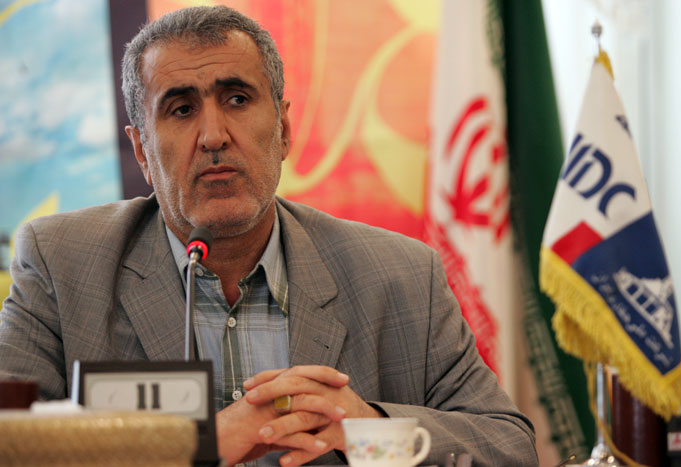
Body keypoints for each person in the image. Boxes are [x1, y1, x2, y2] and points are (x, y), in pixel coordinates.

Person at [0, 5, 537, 466]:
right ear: (141, 150)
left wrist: (368, 430)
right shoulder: (62, 264)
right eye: (181, 109)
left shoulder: (400, 275)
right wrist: (202, 442)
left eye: (237, 99)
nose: (214, 136)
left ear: (283, 129)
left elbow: (509, 446)